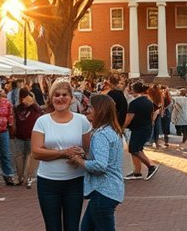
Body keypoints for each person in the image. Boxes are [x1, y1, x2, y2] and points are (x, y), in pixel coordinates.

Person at [32, 78, 93, 231]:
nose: (60, 98)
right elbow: (36, 152)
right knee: (52, 227)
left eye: (64, 94)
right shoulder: (42, 121)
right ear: (51, 99)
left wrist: (80, 155)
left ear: (71, 97)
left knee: (72, 227)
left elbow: (89, 151)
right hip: (48, 182)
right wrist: (63, 153)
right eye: (56, 95)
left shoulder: (82, 121)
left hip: (75, 182)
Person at [68, 94, 125, 231]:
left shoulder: (101, 134)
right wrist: (84, 156)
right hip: (108, 191)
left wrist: (79, 160)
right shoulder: (112, 131)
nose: (87, 110)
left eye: (91, 108)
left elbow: (100, 165)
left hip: (103, 191)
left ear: (100, 110)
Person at [122, 82, 159, 180]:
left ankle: (151, 166)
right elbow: (152, 115)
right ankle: (137, 172)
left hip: (138, 129)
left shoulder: (134, 103)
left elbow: (129, 118)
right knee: (137, 149)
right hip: (146, 127)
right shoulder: (148, 101)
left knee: (134, 149)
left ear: (134, 90)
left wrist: (121, 128)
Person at [14, 88, 42, 189]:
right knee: (27, 156)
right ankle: (26, 178)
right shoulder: (20, 108)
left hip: (25, 135)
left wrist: (32, 103)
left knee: (21, 156)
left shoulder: (23, 107)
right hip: (26, 135)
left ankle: (23, 177)